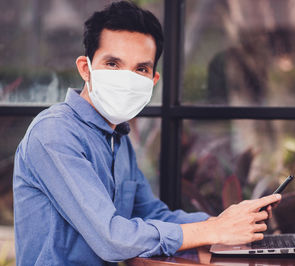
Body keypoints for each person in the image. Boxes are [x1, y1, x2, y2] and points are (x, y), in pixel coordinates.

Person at [12, 1, 281, 265]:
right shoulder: (54, 133)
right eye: (113, 63)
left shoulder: (118, 139)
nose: (127, 78)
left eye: (141, 68)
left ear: (153, 80)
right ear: (86, 68)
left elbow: (151, 213)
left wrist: (224, 221)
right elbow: (113, 239)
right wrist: (211, 231)